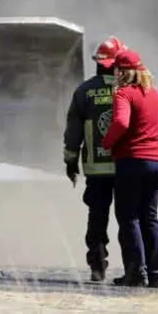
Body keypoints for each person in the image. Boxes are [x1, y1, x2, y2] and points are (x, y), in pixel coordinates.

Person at [101, 49, 158, 288]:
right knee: (150, 216)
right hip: (157, 162)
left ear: (122, 71)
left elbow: (121, 122)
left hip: (132, 161)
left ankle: (135, 272)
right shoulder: (156, 95)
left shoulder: (123, 94)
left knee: (128, 216)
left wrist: (108, 142)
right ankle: (155, 273)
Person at [63, 35, 128, 282]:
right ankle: (135, 267)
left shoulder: (85, 91)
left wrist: (70, 161)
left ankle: (97, 265)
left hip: (96, 168)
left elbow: (73, 132)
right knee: (128, 218)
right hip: (126, 166)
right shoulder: (129, 89)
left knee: (97, 217)